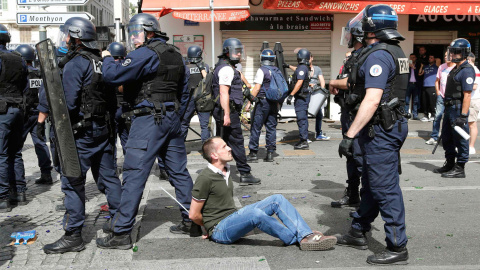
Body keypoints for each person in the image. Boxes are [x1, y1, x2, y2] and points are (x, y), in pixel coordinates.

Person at [97, 13, 194, 248]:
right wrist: (176, 116)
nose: (133, 38)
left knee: (133, 174)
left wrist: (108, 58)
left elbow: (112, 75)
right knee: (179, 172)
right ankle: (192, 221)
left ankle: (121, 233)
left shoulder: (145, 53)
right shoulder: (175, 53)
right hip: (170, 118)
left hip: (149, 119)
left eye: (135, 32)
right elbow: (185, 90)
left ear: (148, 31)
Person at [42, 17, 122, 254]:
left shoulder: (76, 63)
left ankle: (73, 235)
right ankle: (119, 224)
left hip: (79, 133)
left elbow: (66, 102)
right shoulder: (99, 61)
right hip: (101, 130)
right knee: (109, 179)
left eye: (67, 35)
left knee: (73, 183)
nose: (65, 39)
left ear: (75, 36)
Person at [336, 5, 410, 265]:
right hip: (387, 126)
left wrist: (350, 134)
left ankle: (398, 246)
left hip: (381, 129)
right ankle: (359, 230)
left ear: (371, 26)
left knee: (384, 188)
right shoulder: (395, 49)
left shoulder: (378, 55)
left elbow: (373, 99)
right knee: (371, 180)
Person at [189, 136, 338, 250]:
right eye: (224, 147)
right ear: (214, 155)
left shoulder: (226, 170)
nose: (229, 148)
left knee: (276, 199)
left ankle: (305, 234)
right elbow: (193, 214)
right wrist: (208, 227)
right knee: (255, 214)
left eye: (227, 145)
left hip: (233, 218)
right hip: (220, 230)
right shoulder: (205, 178)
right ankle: (297, 238)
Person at [211, 38, 260, 185]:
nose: (239, 54)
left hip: (225, 111)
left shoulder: (226, 67)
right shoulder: (226, 69)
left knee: (222, 142)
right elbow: (223, 92)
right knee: (237, 142)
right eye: (236, 51)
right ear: (227, 52)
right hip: (227, 112)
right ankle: (245, 173)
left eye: (240, 51)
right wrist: (226, 114)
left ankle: (217, 172)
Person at [328, 18, 364, 208]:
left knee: (358, 155)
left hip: (358, 114)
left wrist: (333, 83)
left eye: (350, 33)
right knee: (350, 154)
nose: (347, 37)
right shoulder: (353, 56)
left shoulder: (364, 55)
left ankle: (366, 198)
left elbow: (353, 82)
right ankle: (352, 194)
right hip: (348, 111)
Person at [433, 39, 475, 178]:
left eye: (457, 52)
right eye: (453, 52)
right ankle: (450, 163)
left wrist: (463, 116)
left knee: (460, 139)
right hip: (449, 107)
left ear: (464, 53)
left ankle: (460, 167)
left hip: (458, 109)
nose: (453, 55)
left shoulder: (467, 70)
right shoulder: (456, 68)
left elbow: (467, 95)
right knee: (447, 137)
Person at [14, 45, 54, 185]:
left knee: (16, 148)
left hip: (25, 115)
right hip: (39, 114)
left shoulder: (22, 73)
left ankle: (17, 182)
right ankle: (46, 173)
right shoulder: (39, 73)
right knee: (40, 144)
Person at [0, 24, 28, 212]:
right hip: (18, 109)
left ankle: (2, 198)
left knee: (1, 154)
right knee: (15, 152)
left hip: (2, 111)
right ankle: (20, 192)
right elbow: (25, 84)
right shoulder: (19, 58)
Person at [246, 49, 281, 163]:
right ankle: (270, 154)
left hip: (263, 102)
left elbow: (256, 87)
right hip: (274, 102)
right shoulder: (276, 70)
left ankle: (253, 154)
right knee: (271, 127)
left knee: (256, 128)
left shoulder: (262, 70)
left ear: (262, 58)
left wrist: (249, 102)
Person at [181, 45, 211, 143]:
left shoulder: (186, 68)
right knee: (204, 126)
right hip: (203, 100)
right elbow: (208, 81)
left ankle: (181, 147)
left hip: (189, 99)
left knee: (184, 123)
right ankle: (206, 148)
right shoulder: (205, 66)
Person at [426, 51, 455, 145]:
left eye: (448, 55)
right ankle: (434, 137)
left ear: (453, 56)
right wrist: (438, 92)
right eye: (445, 55)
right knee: (437, 117)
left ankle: (449, 138)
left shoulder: (456, 67)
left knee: (451, 118)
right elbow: (437, 81)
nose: (445, 57)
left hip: (452, 98)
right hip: (441, 97)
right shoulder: (441, 67)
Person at [285, 49, 311, 150]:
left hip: (301, 98)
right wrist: (287, 66)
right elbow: (297, 70)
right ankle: (303, 139)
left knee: (301, 119)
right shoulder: (304, 67)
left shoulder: (302, 68)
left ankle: (304, 141)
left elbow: (299, 82)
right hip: (302, 97)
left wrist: (291, 95)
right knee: (302, 118)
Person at [308, 54, 329, 141]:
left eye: (309, 57)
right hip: (306, 93)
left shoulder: (317, 69)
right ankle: (304, 136)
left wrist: (322, 91)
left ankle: (319, 133)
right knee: (305, 115)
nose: (308, 59)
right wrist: (309, 84)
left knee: (319, 114)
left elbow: (322, 81)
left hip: (315, 93)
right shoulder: (303, 68)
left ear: (312, 58)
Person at [467, 53, 480, 154]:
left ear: (469, 60)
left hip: (472, 99)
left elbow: (474, 86)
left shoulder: (474, 70)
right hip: (470, 99)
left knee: (472, 124)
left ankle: (471, 146)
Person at [420, 54, 438, 122]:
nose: (430, 59)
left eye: (431, 58)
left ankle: (433, 115)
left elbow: (438, 60)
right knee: (425, 102)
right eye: (429, 58)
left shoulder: (437, 67)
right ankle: (425, 115)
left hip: (432, 86)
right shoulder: (426, 67)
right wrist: (422, 66)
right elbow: (420, 73)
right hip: (425, 86)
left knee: (432, 102)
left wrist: (436, 59)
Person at [404, 53, 422, 120]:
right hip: (408, 84)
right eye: (410, 57)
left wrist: (413, 68)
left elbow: (419, 74)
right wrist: (408, 66)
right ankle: (406, 114)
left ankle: (415, 115)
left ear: (416, 58)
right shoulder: (406, 65)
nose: (412, 59)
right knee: (406, 100)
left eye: (413, 57)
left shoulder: (418, 65)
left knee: (416, 100)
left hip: (416, 84)